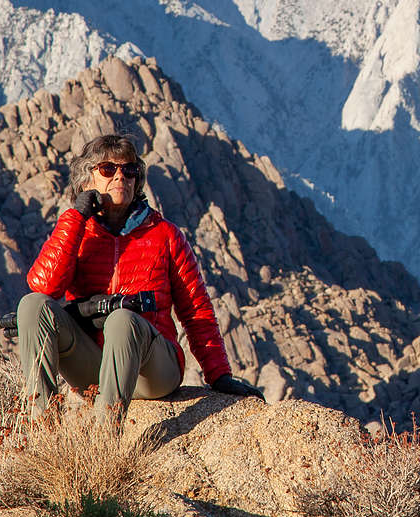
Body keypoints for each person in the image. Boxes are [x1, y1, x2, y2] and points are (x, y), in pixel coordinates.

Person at [17, 133, 262, 413]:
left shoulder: (165, 235)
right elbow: (43, 287)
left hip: (153, 370)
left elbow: (196, 311)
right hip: (94, 368)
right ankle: (42, 429)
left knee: (123, 320)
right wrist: (76, 218)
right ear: (86, 181)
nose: (121, 177)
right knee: (32, 306)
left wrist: (219, 375)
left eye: (129, 170)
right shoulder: (77, 233)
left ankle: (104, 443)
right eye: (108, 169)